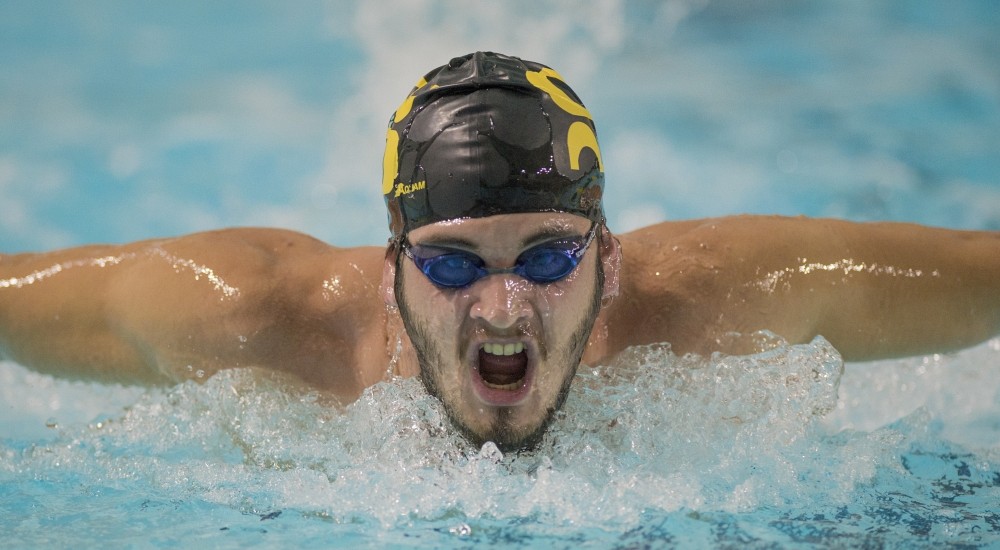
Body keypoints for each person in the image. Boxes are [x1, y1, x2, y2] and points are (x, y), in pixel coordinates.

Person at [1, 52, 998, 451]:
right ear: (390, 273)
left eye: (549, 259)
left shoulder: (722, 301)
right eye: (451, 264)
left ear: (608, 263)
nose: (505, 307)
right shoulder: (243, 315)